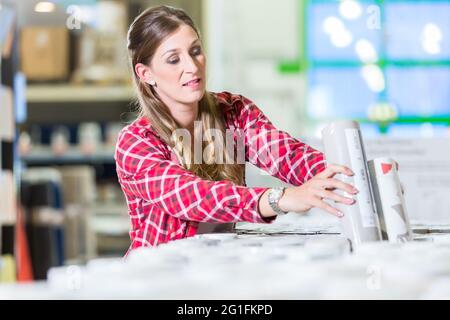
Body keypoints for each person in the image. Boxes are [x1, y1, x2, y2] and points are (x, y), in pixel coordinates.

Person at [115, 5, 357, 254]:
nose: (192, 66)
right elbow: (194, 196)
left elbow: (287, 155)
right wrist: (280, 199)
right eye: (174, 59)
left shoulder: (234, 111)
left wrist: (351, 175)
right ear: (146, 74)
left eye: (195, 51)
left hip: (219, 269)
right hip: (159, 282)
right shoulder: (136, 143)